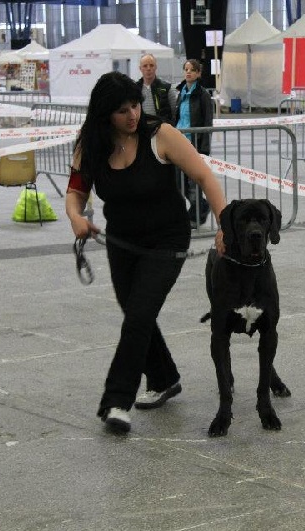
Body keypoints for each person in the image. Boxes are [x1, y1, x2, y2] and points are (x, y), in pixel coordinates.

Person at [65, 72, 227, 435]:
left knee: (138, 315)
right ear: (105, 113)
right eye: (122, 110)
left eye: (135, 106)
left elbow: (205, 177)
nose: (132, 115)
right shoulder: (89, 143)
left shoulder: (161, 135)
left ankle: (116, 401)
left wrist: (224, 226)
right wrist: (76, 217)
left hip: (166, 239)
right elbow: (76, 191)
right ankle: (164, 377)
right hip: (122, 242)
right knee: (137, 314)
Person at [174, 59, 213, 228]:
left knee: (193, 184)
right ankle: (203, 207)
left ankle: (196, 216)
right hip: (178, 144)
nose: (188, 72)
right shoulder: (180, 93)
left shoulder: (203, 95)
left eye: (192, 70)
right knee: (179, 183)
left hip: (194, 144)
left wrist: (204, 149)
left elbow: (207, 122)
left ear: (198, 73)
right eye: (186, 69)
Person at [136, 54, 177, 124]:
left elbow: (175, 112)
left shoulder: (167, 88)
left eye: (151, 65)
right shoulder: (135, 89)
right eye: (145, 66)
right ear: (140, 68)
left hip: (162, 128)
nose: (148, 68)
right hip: (142, 128)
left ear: (156, 67)